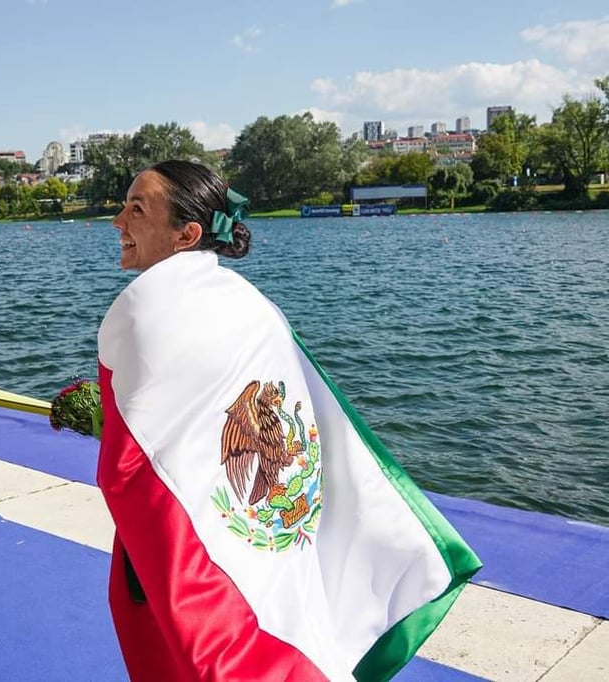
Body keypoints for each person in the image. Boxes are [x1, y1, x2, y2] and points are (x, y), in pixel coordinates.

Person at [95, 160, 480, 681]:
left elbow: (132, 457)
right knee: (281, 610)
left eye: (136, 209)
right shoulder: (251, 302)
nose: (118, 220)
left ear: (186, 234)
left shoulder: (144, 306)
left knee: (189, 651)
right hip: (264, 511)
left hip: (193, 523)